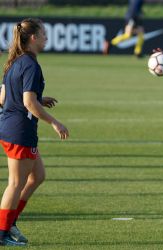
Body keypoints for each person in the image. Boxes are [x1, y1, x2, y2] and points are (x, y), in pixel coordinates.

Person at [0, 18, 69, 246]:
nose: (46, 38)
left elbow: (3, 99)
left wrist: (39, 99)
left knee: (37, 176)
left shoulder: (15, 62)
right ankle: (2, 232)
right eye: (43, 34)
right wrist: (54, 122)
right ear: (33, 38)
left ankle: (10, 223)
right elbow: (28, 102)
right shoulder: (29, 65)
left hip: (14, 128)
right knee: (16, 183)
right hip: (19, 131)